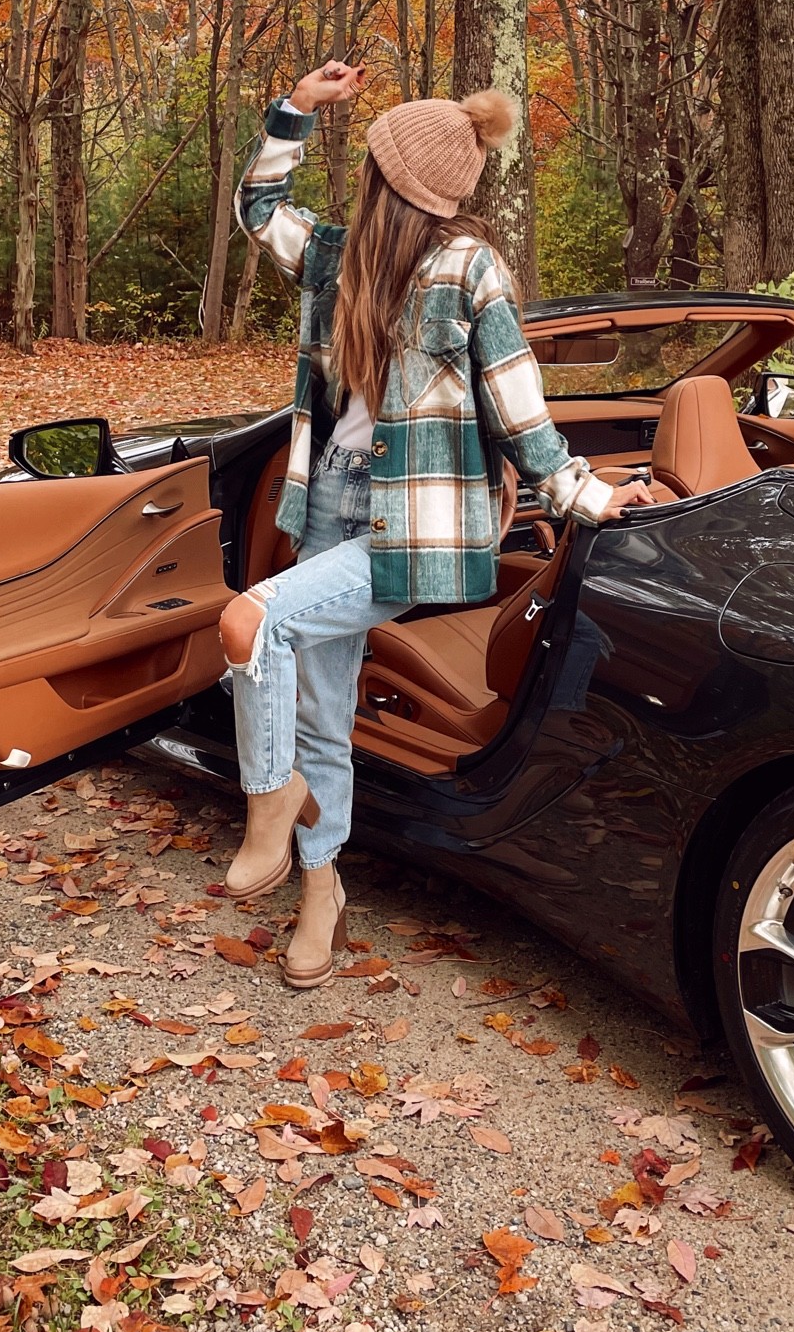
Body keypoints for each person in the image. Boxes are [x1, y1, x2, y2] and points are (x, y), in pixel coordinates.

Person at [218, 60, 653, 987]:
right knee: (320, 711)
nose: (366, 175)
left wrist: (590, 497)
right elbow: (259, 210)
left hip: (410, 528)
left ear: (390, 177)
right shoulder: (341, 258)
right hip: (330, 500)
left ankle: (271, 800)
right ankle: (322, 891)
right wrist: (294, 107)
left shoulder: (469, 267)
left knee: (251, 622)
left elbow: (519, 409)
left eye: (372, 161)